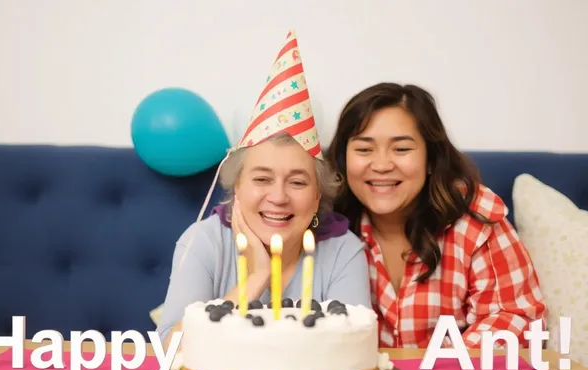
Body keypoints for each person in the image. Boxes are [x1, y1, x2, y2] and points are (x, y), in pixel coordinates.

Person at [155, 31, 372, 348]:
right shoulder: (203, 241)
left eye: (297, 182)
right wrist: (253, 281)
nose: (279, 197)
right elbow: (167, 350)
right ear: (237, 188)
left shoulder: (343, 252)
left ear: (317, 197)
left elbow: (353, 349)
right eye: (262, 179)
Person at [326, 82, 546, 348]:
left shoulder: (475, 217)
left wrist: (447, 367)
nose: (382, 165)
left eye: (401, 149)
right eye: (364, 149)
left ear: (430, 159)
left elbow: (516, 318)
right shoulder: (327, 227)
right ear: (343, 159)